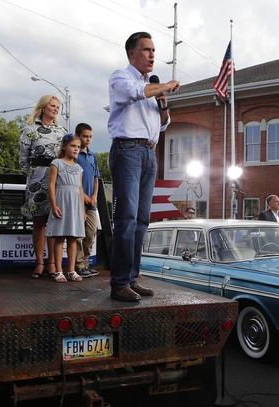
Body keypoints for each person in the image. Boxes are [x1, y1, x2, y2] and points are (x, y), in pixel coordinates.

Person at [108, 31, 180, 302]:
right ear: (132, 53)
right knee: (125, 219)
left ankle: (132, 279)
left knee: (141, 221)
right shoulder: (120, 77)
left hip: (149, 153)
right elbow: (136, 93)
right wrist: (163, 87)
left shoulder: (152, 86)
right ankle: (118, 283)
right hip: (127, 150)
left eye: (154, 50)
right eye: (147, 50)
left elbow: (163, 124)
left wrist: (163, 104)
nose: (152, 55)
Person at [19, 95, 68, 279]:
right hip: (37, 178)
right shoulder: (29, 130)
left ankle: (53, 263)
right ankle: (39, 262)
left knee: (54, 222)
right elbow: (23, 158)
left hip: (57, 179)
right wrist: (32, 175)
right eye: (52, 106)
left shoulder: (62, 131)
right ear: (43, 107)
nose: (56, 109)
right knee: (39, 222)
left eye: (58, 107)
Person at [46, 134, 86, 283]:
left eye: (78, 147)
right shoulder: (56, 163)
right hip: (62, 202)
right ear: (64, 146)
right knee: (60, 237)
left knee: (73, 238)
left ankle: (71, 270)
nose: (76, 149)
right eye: (73, 146)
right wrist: (54, 205)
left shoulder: (79, 168)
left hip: (75, 205)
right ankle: (58, 271)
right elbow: (51, 185)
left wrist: (82, 210)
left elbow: (81, 189)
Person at [74, 123, 100, 279]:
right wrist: (82, 194)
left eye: (90, 136)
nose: (88, 139)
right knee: (78, 235)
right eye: (85, 136)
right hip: (77, 200)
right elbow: (74, 177)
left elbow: (96, 177)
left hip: (92, 202)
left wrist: (95, 194)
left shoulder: (93, 156)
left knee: (91, 233)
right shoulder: (75, 155)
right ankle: (79, 265)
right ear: (78, 136)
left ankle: (86, 262)